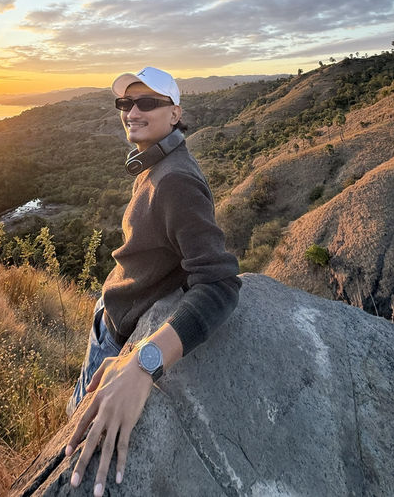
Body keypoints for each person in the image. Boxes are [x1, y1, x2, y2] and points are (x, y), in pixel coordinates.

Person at [65, 67, 240, 495]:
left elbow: (220, 284)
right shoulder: (157, 162)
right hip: (111, 314)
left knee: (72, 439)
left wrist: (143, 365)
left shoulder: (175, 180)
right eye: (125, 104)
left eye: (147, 103)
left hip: (118, 337)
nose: (132, 112)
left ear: (175, 112)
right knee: (72, 416)